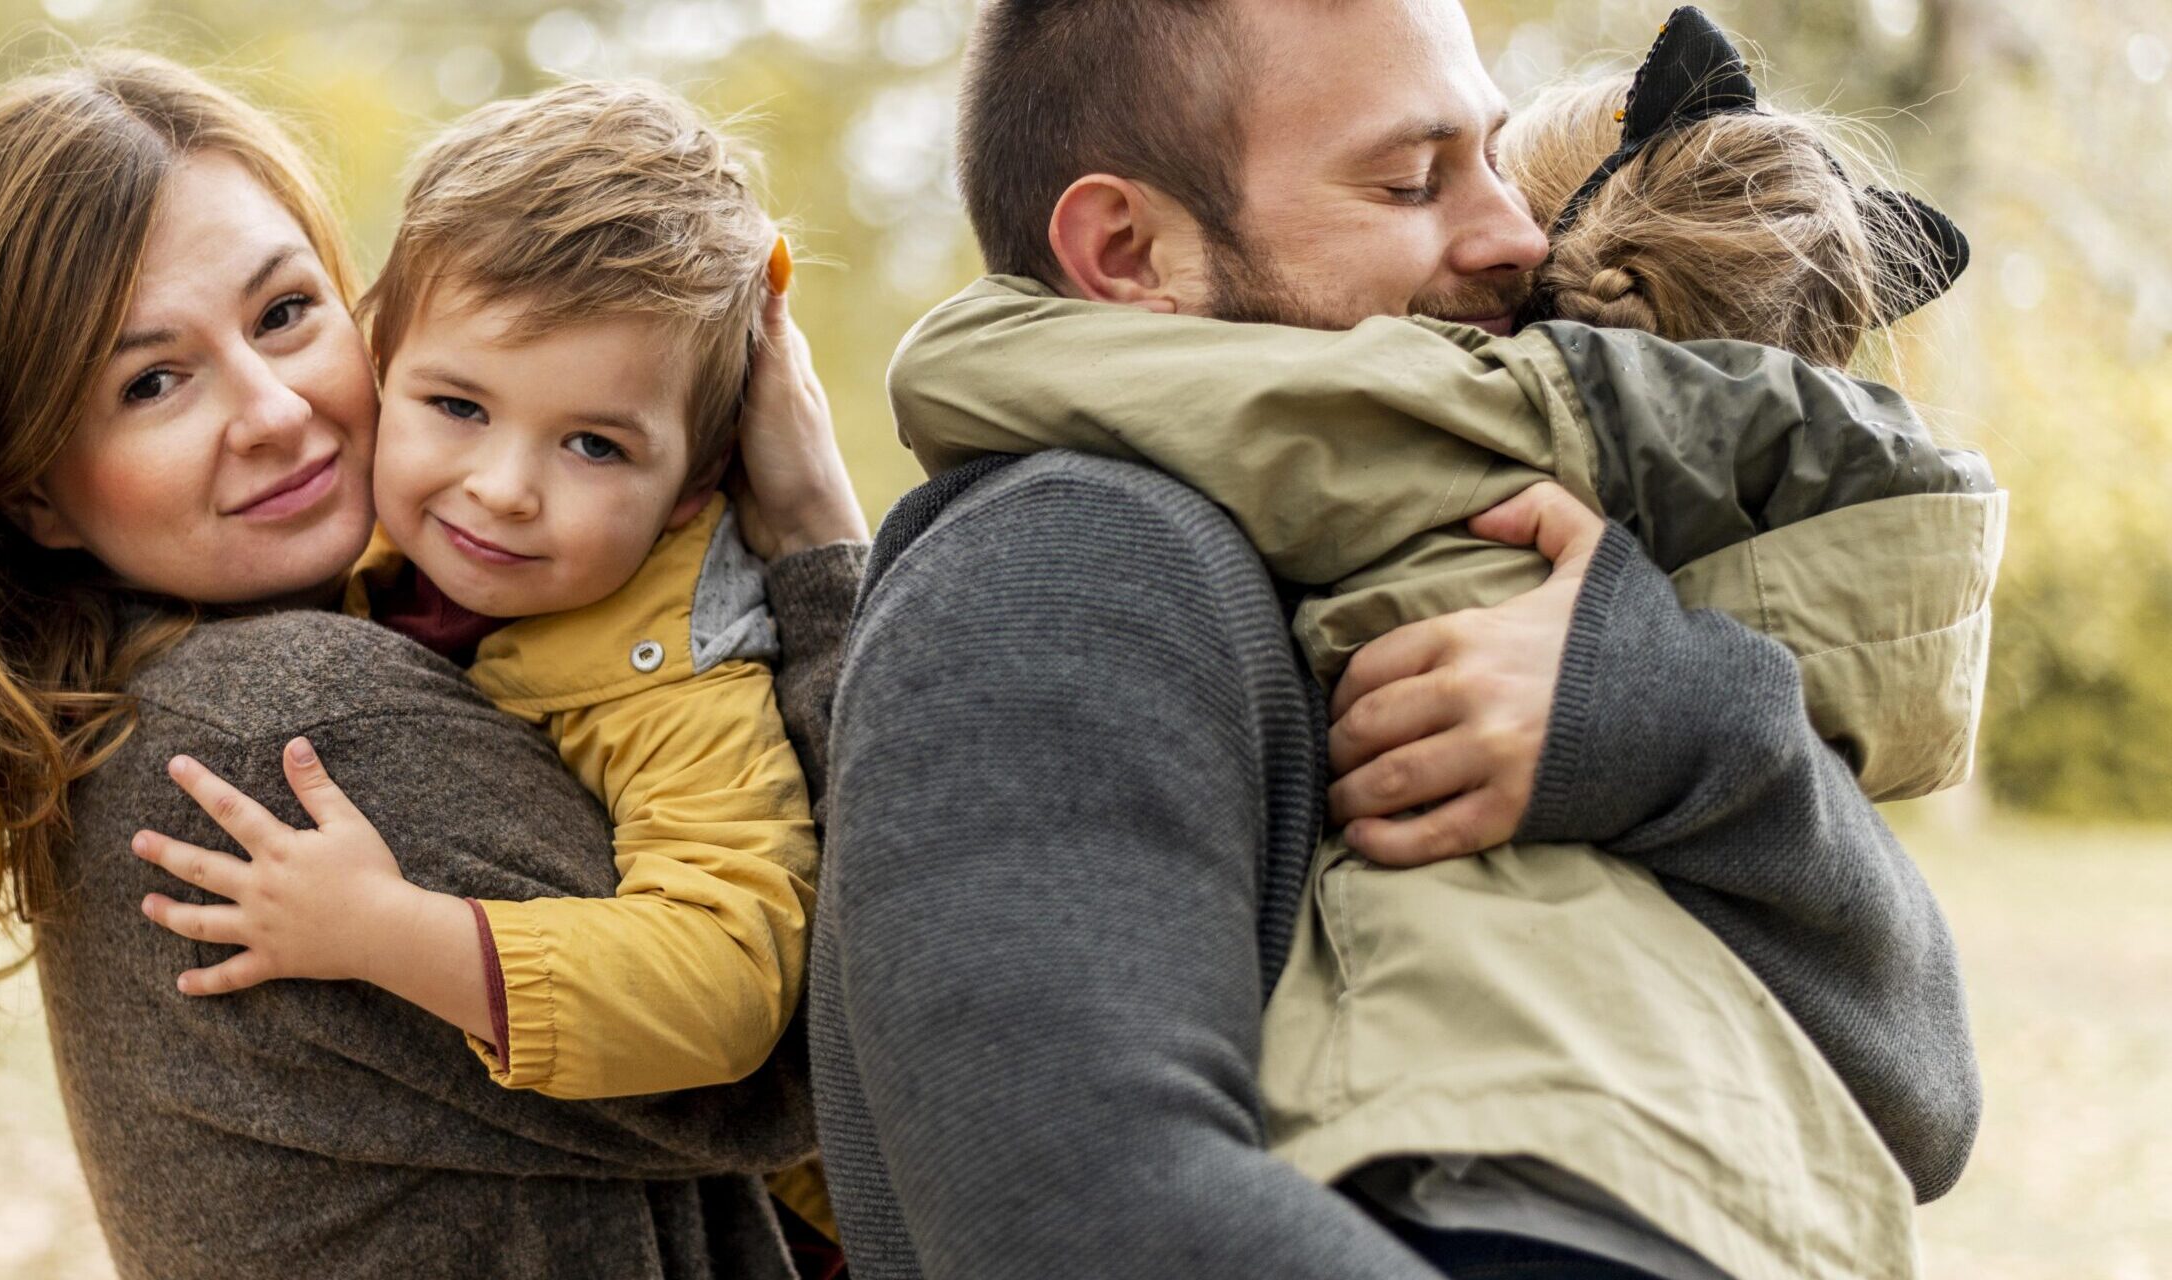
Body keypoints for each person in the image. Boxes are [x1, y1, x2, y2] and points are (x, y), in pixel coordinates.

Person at [805, 1, 1979, 1276]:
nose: (1518, 236)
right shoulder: (1070, 556)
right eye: (1412, 180)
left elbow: (1921, 1099)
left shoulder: (1461, 568)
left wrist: (1679, 724)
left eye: (1489, 154)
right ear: (1127, 250)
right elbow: (1075, 1205)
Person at [0, 52, 867, 1279]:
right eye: (153, 381)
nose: (278, 411)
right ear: (34, 495)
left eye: (286, 312)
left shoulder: (310, 632)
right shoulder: (284, 730)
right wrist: (819, 544)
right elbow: (861, 1054)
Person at [123, 77, 841, 1243]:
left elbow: (727, 975)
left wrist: (383, 929)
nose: (504, 487)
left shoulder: (679, 673)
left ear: (691, 489)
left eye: (595, 443)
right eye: (458, 404)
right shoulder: (357, 545)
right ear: (379, 360)